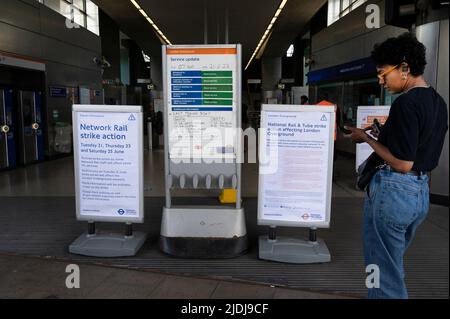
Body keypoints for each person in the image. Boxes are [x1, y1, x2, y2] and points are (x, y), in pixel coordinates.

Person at [344, 33, 448, 299]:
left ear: (404, 67)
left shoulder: (406, 103)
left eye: (383, 73)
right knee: (391, 265)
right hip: (419, 193)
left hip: (393, 192)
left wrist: (364, 137)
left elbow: (402, 163)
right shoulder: (438, 102)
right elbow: (417, 147)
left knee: (381, 273)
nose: (381, 81)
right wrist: (385, 133)